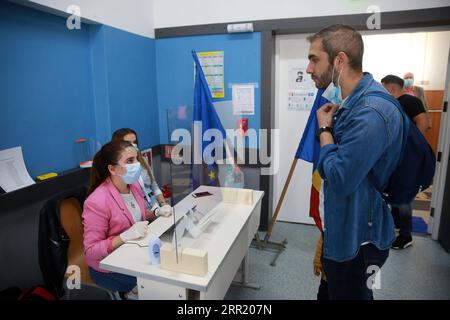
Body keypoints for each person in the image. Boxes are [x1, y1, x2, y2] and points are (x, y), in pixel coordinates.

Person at [305, 24, 404, 299]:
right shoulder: (351, 104)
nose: (309, 69)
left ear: (340, 60)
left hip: (357, 242)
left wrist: (325, 130)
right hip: (342, 228)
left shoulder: (372, 112)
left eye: (314, 59)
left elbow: (339, 178)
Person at [82, 140, 166, 297]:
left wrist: (156, 213)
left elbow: (136, 217)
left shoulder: (133, 186)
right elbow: (91, 252)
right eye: (129, 161)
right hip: (109, 269)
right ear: (112, 169)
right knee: (158, 282)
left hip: (134, 252)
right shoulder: (97, 202)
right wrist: (123, 237)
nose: (137, 165)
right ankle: (128, 293)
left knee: (167, 268)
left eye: (136, 159)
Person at [381, 74, 429, 249]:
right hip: (394, 156)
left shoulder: (411, 101)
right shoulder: (393, 104)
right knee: (394, 192)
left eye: (383, 88)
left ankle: (406, 235)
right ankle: (395, 228)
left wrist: (411, 149)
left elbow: (423, 123)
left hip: (407, 158)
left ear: (391, 89)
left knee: (404, 196)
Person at [111, 128, 172, 217]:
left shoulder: (143, 160)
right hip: (139, 208)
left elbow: (153, 185)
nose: (133, 145)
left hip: (154, 202)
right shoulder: (120, 170)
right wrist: (155, 213)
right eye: (129, 143)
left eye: (135, 142)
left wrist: (163, 204)